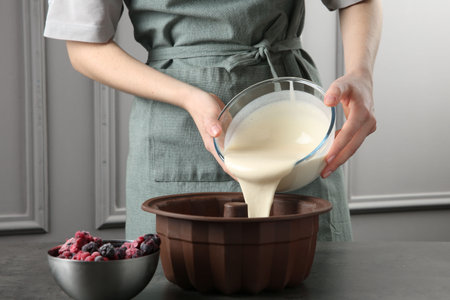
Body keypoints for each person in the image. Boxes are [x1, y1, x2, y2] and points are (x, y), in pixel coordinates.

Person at [44, 0, 382, 240]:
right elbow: (84, 46)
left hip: (297, 124)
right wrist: (190, 97)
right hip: (174, 129)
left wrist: (361, 73)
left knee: (314, 280)